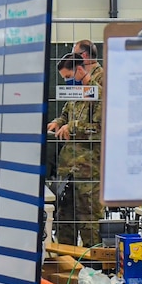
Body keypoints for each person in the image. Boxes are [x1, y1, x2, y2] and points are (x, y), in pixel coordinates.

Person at [47, 50, 104, 246]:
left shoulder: (99, 93)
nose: (67, 82)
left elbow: (101, 130)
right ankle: (65, 267)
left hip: (88, 170)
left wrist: (72, 127)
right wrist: (58, 122)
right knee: (64, 218)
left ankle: (93, 269)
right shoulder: (76, 93)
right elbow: (66, 114)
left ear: (80, 70)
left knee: (89, 220)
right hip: (68, 167)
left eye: (69, 77)